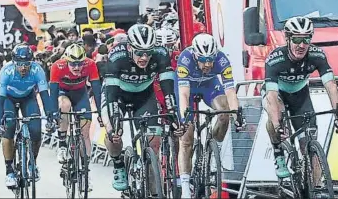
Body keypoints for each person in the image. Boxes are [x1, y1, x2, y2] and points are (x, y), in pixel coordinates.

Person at [263, 17, 338, 179]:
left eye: (306, 39)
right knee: (276, 113)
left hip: (300, 95)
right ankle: (278, 153)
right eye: (296, 39)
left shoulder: (317, 55)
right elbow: (271, 96)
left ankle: (314, 189)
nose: (302, 45)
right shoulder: (275, 60)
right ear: (287, 39)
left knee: (309, 145)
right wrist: (277, 125)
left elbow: (331, 86)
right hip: (277, 95)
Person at [101, 24, 179, 191]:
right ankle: (118, 164)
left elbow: (168, 91)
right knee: (112, 131)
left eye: (148, 53)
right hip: (118, 94)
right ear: (130, 47)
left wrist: (173, 114)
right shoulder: (117, 56)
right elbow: (111, 97)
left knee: (154, 144)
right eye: (139, 53)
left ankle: (153, 190)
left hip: (144, 95)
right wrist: (114, 124)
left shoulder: (161, 54)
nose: (144, 58)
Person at [176, 33, 245, 199]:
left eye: (211, 59)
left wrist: (236, 115)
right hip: (188, 87)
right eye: (203, 59)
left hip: (209, 85)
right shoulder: (185, 59)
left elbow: (230, 91)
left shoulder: (222, 60)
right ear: (194, 55)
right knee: (186, 137)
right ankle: (185, 185)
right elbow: (184, 95)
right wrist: (185, 119)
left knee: (224, 114)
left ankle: (213, 147)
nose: (207, 64)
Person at [0, 44, 57, 187]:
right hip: (9, 99)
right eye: (20, 64)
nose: (23, 68)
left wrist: (50, 115)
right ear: (14, 62)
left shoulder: (37, 70)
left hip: (28, 98)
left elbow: (44, 95)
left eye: (27, 64)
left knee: (36, 130)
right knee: (8, 128)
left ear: (31, 62)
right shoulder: (6, 71)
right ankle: (9, 170)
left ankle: (32, 164)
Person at [49, 43, 102, 165]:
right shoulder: (57, 66)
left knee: (85, 132)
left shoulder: (90, 64)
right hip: (63, 92)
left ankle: (85, 168)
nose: (77, 67)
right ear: (66, 61)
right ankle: (62, 144)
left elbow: (97, 90)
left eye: (80, 63)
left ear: (85, 61)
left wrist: (100, 112)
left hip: (80, 93)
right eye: (73, 63)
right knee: (65, 105)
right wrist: (53, 113)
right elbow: (53, 93)